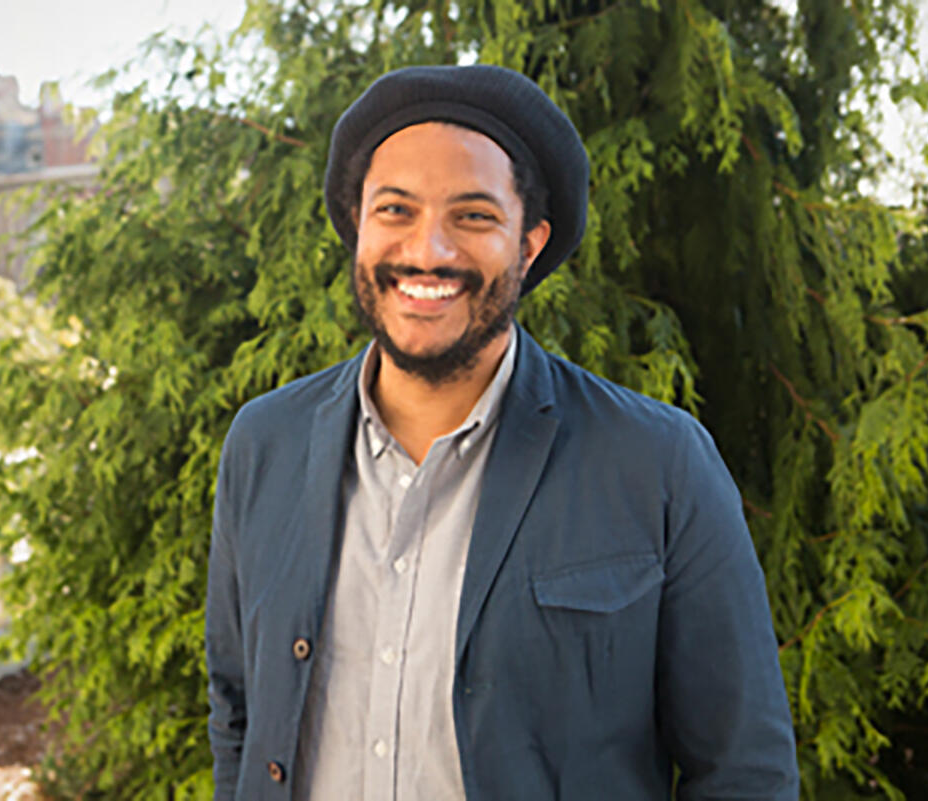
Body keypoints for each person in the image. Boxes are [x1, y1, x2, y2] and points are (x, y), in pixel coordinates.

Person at [206, 64, 800, 801]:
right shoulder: (264, 444)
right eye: (395, 209)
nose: (429, 251)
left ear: (528, 244)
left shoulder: (658, 464)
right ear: (359, 226)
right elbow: (237, 712)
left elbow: (744, 771)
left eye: (474, 216)